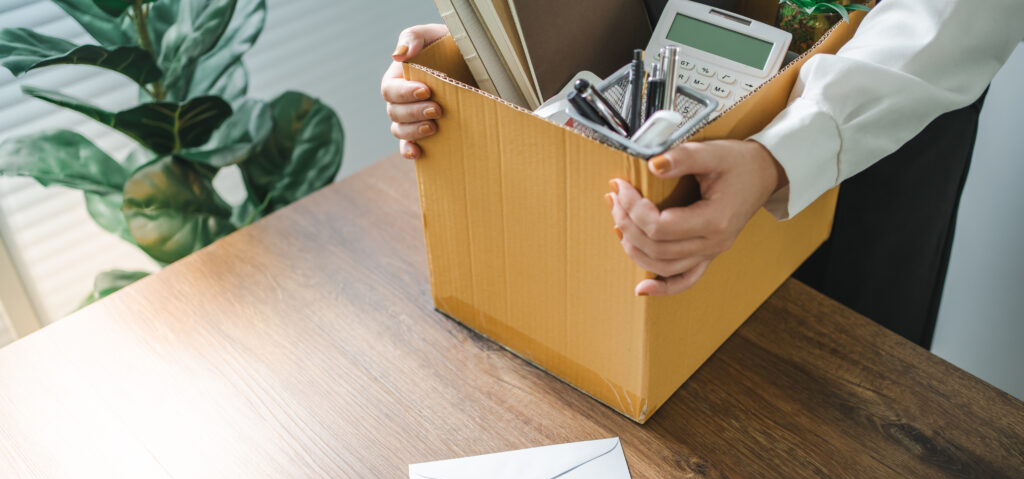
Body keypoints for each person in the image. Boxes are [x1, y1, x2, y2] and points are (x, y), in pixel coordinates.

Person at [381, 1, 1024, 347]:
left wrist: (785, 154)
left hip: (878, 108)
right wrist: (504, 35)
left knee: (836, 385)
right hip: (648, 31)